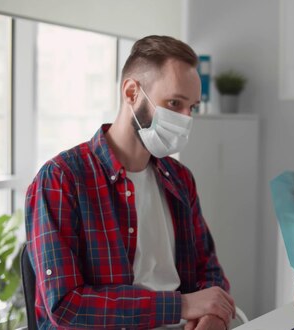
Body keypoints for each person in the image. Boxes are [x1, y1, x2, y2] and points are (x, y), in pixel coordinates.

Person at [25, 35, 235, 330]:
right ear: (132, 92)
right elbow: (66, 305)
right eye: (174, 103)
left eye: (193, 107)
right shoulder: (61, 179)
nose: (186, 119)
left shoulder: (179, 178)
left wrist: (212, 315)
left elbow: (208, 267)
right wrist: (184, 305)